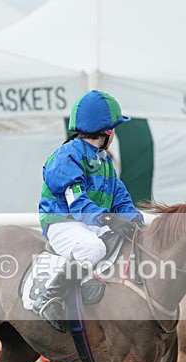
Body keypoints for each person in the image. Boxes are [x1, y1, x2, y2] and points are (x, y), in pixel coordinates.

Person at [36, 90, 145, 332]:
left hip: (90, 221)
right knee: (93, 248)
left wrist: (135, 221)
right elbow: (77, 203)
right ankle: (51, 297)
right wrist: (108, 219)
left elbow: (121, 199)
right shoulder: (67, 156)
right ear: (107, 132)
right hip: (63, 221)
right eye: (115, 129)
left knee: (128, 242)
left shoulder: (104, 160)